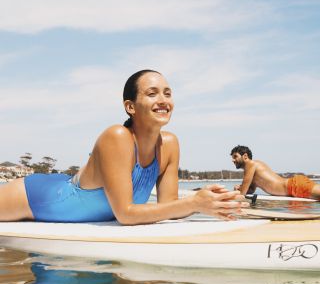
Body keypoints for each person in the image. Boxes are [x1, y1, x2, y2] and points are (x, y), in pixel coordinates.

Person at [0, 70, 248, 224]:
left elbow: (169, 206)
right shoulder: (117, 136)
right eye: (152, 94)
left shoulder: (170, 144)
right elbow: (125, 214)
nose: (163, 100)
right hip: (37, 198)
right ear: (130, 106)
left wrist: (215, 202)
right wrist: (194, 202)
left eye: (168, 93)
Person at [230, 145, 320, 200]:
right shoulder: (253, 169)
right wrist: (240, 188)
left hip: (293, 186)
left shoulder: (251, 164)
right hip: (293, 187)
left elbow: (243, 193)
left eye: (235, 156)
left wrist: (239, 190)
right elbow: (250, 190)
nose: (233, 160)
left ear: (245, 156)